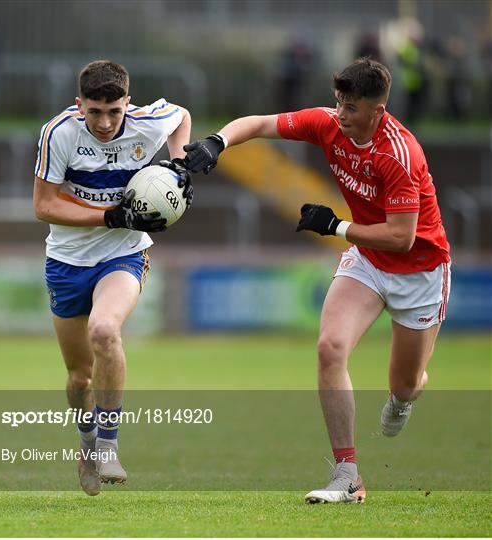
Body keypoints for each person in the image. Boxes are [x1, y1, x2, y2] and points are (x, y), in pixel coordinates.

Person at [183, 58, 450, 504]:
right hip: (367, 261)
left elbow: (402, 238)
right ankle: (348, 476)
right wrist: (218, 141)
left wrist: (335, 226)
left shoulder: (399, 154)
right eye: (338, 103)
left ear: (378, 111)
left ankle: (404, 399)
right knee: (330, 348)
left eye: (351, 107)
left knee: (405, 383)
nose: (340, 114)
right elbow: (263, 123)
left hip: (419, 272)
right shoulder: (328, 124)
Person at [33, 60, 193, 496]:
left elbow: (181, 114)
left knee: (105, 331)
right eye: (94, 112)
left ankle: (107, 445)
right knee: (79, 377)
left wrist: (179, 164)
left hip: (124, 253)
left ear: (128, 103)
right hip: (66, 261)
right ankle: (86, 444)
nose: (104, 123)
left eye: (114, 112)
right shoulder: (59, 133)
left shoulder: (146, 122)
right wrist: (108, 215)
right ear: (78, 104)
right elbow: (45, 206)